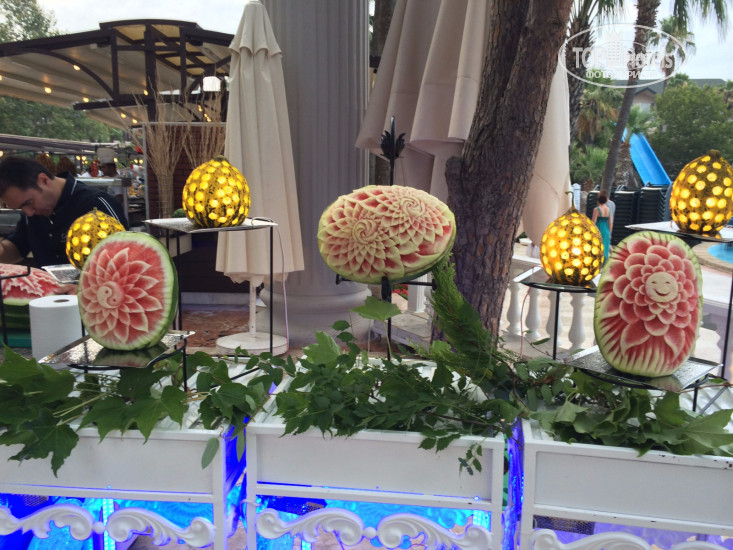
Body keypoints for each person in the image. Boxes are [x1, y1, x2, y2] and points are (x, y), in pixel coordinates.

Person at [0, 156, 128, 268]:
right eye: (21, 208)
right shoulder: (31, 214)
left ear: (44, 180)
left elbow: (125, 255)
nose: (29, 213)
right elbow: (17, 247)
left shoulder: (96, 203)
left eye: (28, 202)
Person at [592, 192, 613, 265]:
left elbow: (594, 221)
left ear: (598, 200)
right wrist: (610, 233)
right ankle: (604, 262)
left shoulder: (596, 209)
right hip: (606, 230)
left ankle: (598, 262)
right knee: (605, 246)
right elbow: (610, 223)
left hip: (599, 229)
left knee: (598, 246)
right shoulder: (609, 210)